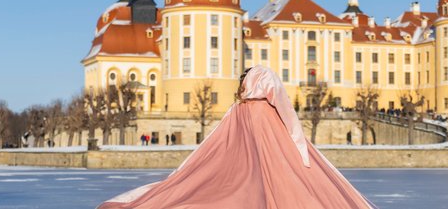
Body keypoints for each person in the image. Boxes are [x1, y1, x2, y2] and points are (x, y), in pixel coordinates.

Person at [97, 65, 377, 209]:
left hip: (242, 173)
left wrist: (182, 173)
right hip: (280, 162)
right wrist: (302, 151)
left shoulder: (239, 108)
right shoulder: (266, 107)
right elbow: (289, 118)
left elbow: (213, 143)